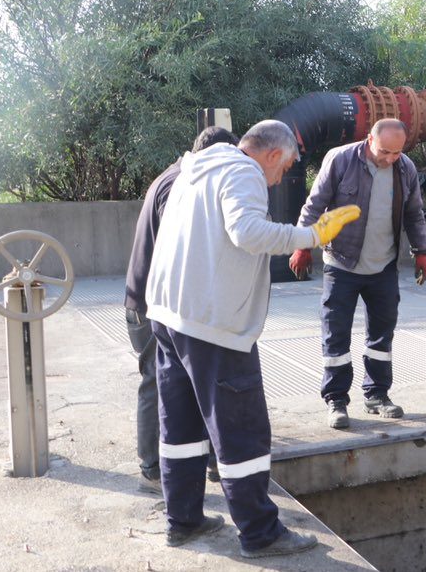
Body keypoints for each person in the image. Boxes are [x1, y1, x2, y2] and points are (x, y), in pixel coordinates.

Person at [145, 120, 360, 556]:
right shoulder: (243, 171)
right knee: (241, 430)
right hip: (213, 325)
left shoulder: (194, 170)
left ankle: (182, 520)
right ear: (272, 155)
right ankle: (261, 534)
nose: (281, 177)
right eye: (286, 166)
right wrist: (312, 235)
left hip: (168, 316)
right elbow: (246, 232)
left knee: (181, 426)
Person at [289, 118, 426, 430]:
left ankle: (377, 395)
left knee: (382, 333)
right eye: (385, 152)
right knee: (335, 333)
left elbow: (414, 213)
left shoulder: (404, 168)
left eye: (396, 153)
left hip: (383, 266)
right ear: (369, 140)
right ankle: (336, 400)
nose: (390, 158)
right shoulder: (340, 160)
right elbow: (314, 206)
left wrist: (421, 252)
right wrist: (302, 246)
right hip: (342, 263)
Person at [124, 126, 237, 495]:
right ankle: (153, 468)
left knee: (186, 382)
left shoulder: (174, 177)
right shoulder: (179, 188)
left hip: (152, 302)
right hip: (157, 306)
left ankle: (203, 460)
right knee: (159, 384)